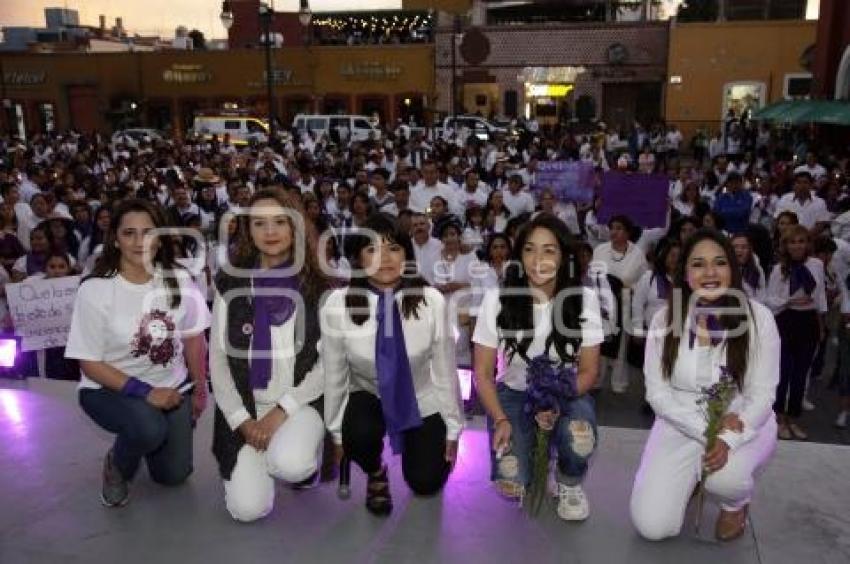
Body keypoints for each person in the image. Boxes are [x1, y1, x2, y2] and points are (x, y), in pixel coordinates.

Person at [630, 229, 780, 541]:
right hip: (678, 422)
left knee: (725, 479)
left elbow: (763, 393)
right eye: (698, 264)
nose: (710, 272)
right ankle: (689, 479)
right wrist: (706, 430)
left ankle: (735, 503)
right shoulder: (663, 319)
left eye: (720, 263)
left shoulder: (759, 319)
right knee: (652, 527)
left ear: (733, 269)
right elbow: (657, 393)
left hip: (740, 424)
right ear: (685, 273)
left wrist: (725, 438)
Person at [65, 199, 211, 507]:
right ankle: (117, 466)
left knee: (174, 476)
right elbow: (89, 362)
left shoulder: (181, 279)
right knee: (148, 428)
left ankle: (146, 438)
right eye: (129, 233)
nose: (139, 241)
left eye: (148, 232)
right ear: (115, 239)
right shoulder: (95, 289)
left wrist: (199, 388)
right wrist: (145, 392)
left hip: (173, 389)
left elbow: (194, 339)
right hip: (108, 389)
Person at [322, 214, 463, 515]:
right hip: (368, 394)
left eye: (394, 248)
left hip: (421, 398)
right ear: (359, 257)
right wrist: (336, 434)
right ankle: (376, 471)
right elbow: (334, 374)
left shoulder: (431, 301)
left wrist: (453, 429)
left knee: (426, 481)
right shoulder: (338, 304)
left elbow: (445, 372)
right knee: (358, 433)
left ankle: (421, 450)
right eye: (372, 249)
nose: (384, 258)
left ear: (406, 255)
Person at [473, 213, 603, 521]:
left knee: (580, 439)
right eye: (530, 249)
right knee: (511, 482)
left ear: (563, 256)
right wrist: (501, 419)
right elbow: (482, 373)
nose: (538, 259)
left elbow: (589, 371)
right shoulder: (497, 299)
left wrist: (556, 401)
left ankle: (569, 480)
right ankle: (526, 449)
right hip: (514, 393)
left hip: (567, 391)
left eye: (549, 250)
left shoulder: (584, 300)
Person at [209, 188, 329, 523]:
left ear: (296, 227)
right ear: (248, 230)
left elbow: (326, 364)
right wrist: (242, 422)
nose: (271, 232)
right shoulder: (230, 282)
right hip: (246, 408)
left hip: (298, 402)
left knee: (291, 464)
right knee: (247, 510)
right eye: (259, 224)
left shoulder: (319, 285)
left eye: (280, 222)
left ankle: (294, 451)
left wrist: (279, 414)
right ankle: (256, 455)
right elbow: (217, 361)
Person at [765, 225, 827, 440]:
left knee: (801, 375)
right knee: (783, 374)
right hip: (785, 320)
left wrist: (820, 325)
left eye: (801, 241)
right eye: (792, 242)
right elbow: (769, 300)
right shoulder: (778, 269)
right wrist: (789, 300)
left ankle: (793, 419)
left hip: (808, 322)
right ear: (785, 245)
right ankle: (779, 419)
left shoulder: (817, 265)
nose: (797, 245)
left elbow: (820, 298)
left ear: (807, 243)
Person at [731, 233, 766, 303]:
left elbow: (762, 295)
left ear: (749, 250)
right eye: (735, 247)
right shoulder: (725, 270)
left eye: (744, 247)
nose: (739, 250)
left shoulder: (757, 270)